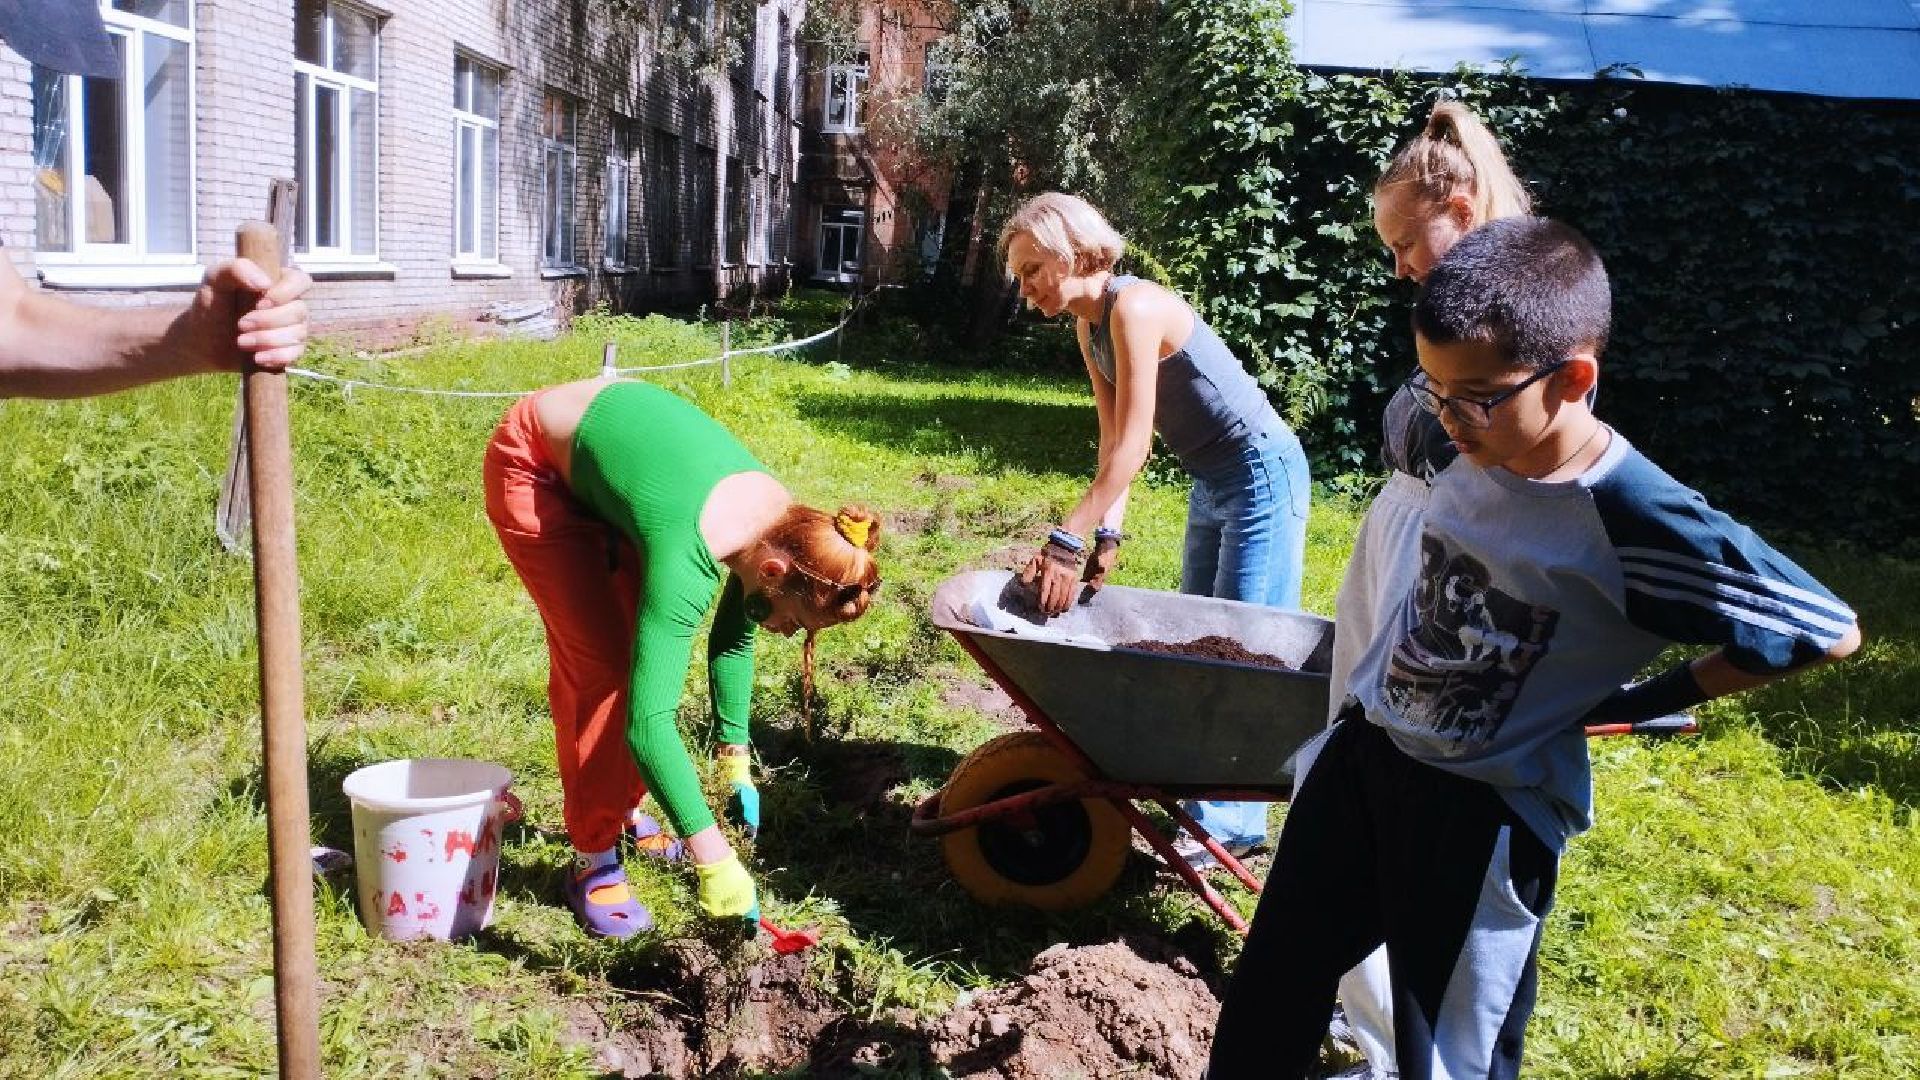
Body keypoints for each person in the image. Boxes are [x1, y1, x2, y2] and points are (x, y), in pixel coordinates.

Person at [1209, 217, 1862, 1078]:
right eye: (1433, 390)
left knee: (1444, 1057)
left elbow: (1824, 628)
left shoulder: (1634, 514)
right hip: (1365, 762)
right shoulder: (1474, 438)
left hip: (1478, 820)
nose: (1449, 419)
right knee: (1270, 995)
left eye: (1475, 396)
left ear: (1574, 379)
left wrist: (1644, 701)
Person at [483, 376, 882, 939]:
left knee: (630, 655)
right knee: (606, 673)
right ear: (773, 573)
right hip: (535, 465)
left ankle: (622, 811)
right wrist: (714, 856)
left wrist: (734, 759)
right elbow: (647, 725)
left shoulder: (782, 527)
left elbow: (735, 636)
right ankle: (592, 858)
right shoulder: (690, 555)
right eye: (793, 622)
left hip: (606, 461)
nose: (786, 634)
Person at [1310, 98, 1535, 1077]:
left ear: (1466, 202)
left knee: (1411, 797)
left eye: (1409, 238)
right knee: (1353, 779)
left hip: (1448, 573)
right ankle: (1370, 1033)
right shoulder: (1459, 317)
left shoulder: (1527, 316)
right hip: (1396, 551)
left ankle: (1423, 1047)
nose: (1400, 261)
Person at [999, 192, 1311, 867]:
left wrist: (1067, 538)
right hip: (1212, 478)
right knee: (1200, 646)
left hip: (1262, 473)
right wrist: (1108, 532)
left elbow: (1137, 447)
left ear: (1071, 250)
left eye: (1030, 271)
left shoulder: (1135, 308)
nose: (1025, 291)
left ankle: (1230, 827)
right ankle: (1205, 798)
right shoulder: (1091, 329)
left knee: (1245, 647)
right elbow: (1114, 447)